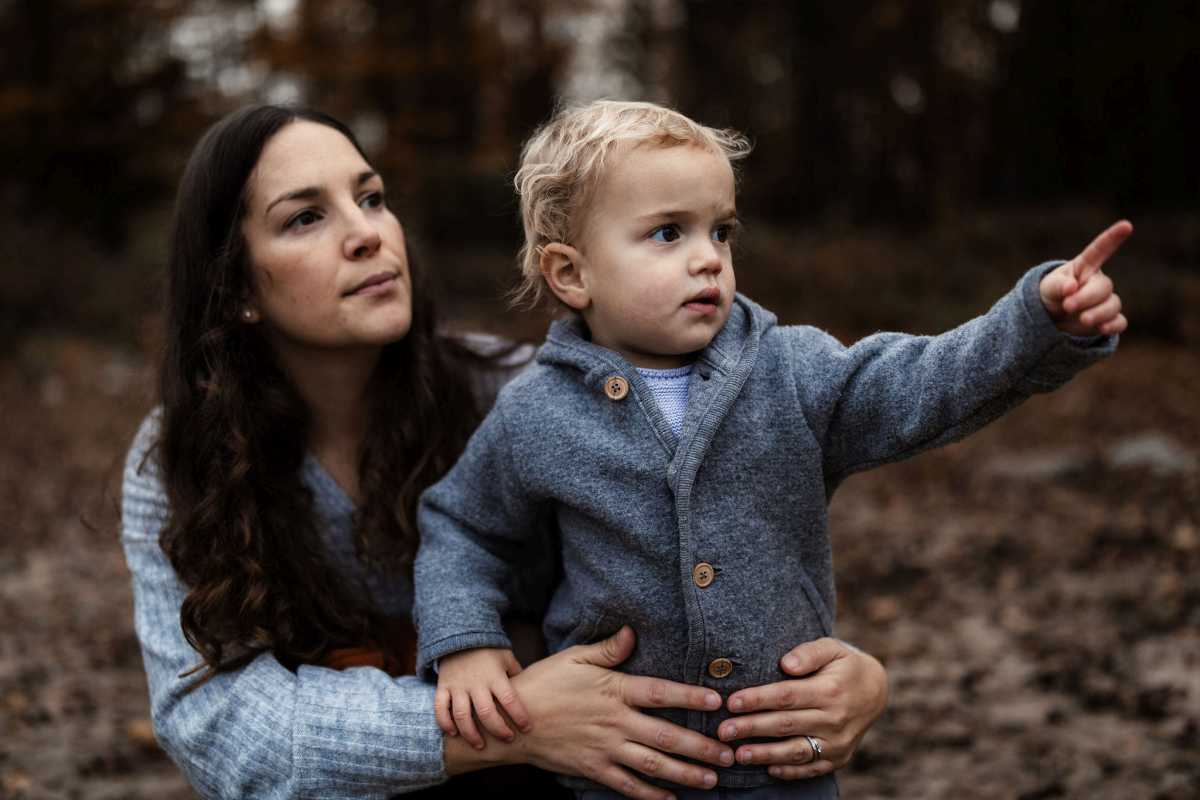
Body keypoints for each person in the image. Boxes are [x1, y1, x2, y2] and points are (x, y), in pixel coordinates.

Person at [120, 103, 891, 800]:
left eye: (372, 197)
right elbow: (220, 726)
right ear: (238, 290)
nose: (367, 233)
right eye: (304, 219)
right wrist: (501, 723)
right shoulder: (177, 462)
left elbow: (723, 537)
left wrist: (846, 683)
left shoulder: (523, 394)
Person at [412, 100, 1128, 797]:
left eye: (720, 232)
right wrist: (465, 641)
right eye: (668, 233)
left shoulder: (791, 370)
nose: (708, 260)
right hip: (617, 769)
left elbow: (923, 383)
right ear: (571, 273)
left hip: (786, 765)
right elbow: (465, 527)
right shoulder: (537, 411)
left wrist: (1035, 322)